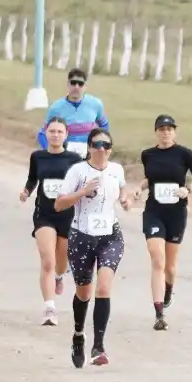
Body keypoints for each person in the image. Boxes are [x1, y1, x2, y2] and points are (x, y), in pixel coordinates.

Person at [52, 129, 133, 368]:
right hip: (82, 237)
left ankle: (98, 346)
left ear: (111, 149)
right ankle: (78, 335)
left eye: (106, 145)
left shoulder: (116, 170)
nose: (101, 149)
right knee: (84, 292)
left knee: (104, 287)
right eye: (97, 145)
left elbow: (122, 188)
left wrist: (125, 199)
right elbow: (59, 204)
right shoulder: (77, 172)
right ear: (89, 147)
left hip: (110, 236)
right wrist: (82, 192)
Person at [138, 114, 192, 331]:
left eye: (169, 129)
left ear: (174, 132)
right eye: (162, 129)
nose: (166, 132)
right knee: (157, 259)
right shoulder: (148, 155)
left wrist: (188, 189)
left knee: (170, 266)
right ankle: (159, 312)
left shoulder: (184, 154)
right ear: (156, 132)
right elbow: (149, 178)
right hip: (154, 211)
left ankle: (168, 288)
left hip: (176, 213)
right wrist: (140, 188)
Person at [20, 117, 83, 325]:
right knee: (48, 260)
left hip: (67, 215)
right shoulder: (37, 156)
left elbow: (80, 184)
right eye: (52, 131)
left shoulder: (74, 159)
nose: (55, 135)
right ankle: (49, 308)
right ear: (45, 133)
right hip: (44, 214)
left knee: (61, 262)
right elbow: (33, 178)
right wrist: (26, 191)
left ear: (66, 135)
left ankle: (59, 276)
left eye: (59, 132)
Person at [40, 68, 109, 158]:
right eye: (73, 83)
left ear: (85, 86)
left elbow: (104, 125)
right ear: (68, 84)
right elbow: (42, 133)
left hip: (89, 155)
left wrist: (101, 144)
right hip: (63, 155)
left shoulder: (96, 104)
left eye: (80, 84)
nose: (76, 87)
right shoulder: (55, 108)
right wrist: (50, 153)